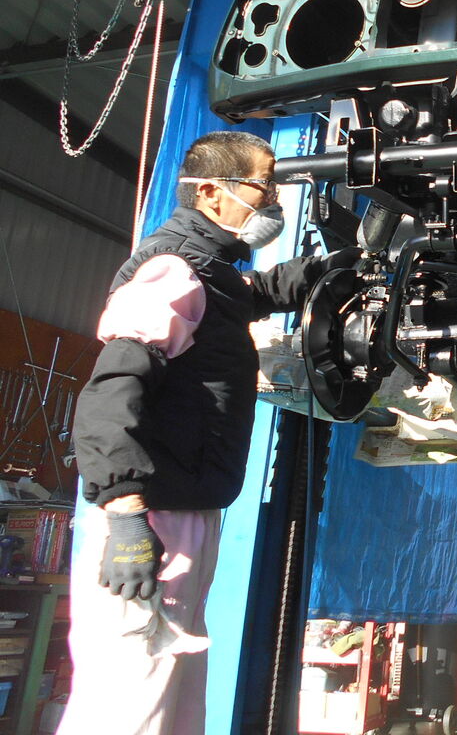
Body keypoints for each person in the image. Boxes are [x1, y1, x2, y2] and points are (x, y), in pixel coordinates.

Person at [58, 130, 353, 735]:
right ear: (213, 192)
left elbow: (252, 294)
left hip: (183, 510)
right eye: (264, 187)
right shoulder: (171, 269)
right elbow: (109, 394)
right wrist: (126, 517)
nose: (273, 202)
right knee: (129, 701)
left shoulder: (211, 272)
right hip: (149, 520)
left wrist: (330, 269)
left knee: (175, 694)